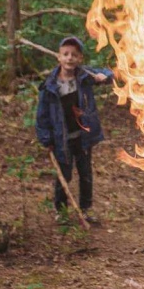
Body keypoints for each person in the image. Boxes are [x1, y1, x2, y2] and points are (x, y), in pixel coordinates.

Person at [35, 36, 114, 224]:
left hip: (83, 136)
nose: (70, 58)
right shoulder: (50, 85)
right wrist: (46, 139)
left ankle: (85, 209)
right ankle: (60, 211)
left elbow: (108, 74)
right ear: (59, 57)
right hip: (61, 138)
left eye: (74, 55)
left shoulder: (85, 77)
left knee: (85, 173)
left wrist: (105, 77)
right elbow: (42, 115)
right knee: (64, 174)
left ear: (80, 59)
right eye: (66, 54)